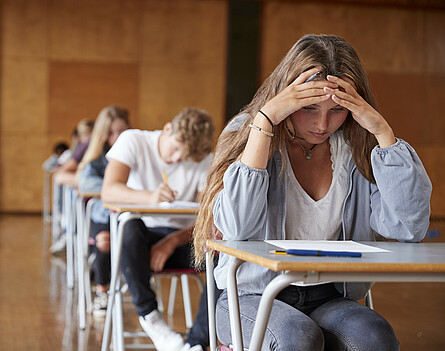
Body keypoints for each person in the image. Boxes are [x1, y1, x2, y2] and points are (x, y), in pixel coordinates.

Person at [193, 34, 432, 351]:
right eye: (309, 108)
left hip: (330, 295)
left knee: (376, 338)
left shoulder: (356, 146)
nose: (322, 124)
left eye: (337, 110)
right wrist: (265, 120)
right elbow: (237, 228)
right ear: (284, 97)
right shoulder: (247, 132)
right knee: (298, 338)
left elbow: (408, 228)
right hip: (252, 296)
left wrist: (383, 133)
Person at [101, 107, 215, 351]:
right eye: (175, 149)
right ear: (167, 129)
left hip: (181, 239)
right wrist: (149, 196)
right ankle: (151, 317)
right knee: (130, 226)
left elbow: (208, 218)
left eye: (185, 158)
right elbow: (108, 190)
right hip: (138, 242)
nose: (176, 160)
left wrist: (172, 241)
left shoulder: (203, 157)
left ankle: (198, 341)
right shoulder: (134, 140)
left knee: (221, 254)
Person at [78, 106, 130, 317]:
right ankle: (102, 291)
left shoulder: (134, 151)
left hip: (129, 214)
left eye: (121, 130)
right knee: (105, 240)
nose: (116, 136)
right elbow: (85, 183)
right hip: (104, 215)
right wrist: (117, 187)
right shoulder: (97, 159)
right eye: (111, 132)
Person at [51, 118, 95, 254]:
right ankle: (68, 234)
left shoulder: (86, 144)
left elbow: (68, 167)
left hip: (89, 187)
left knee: (66, 185)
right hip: (88, 185)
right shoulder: (86, 145)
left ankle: (68, 234)